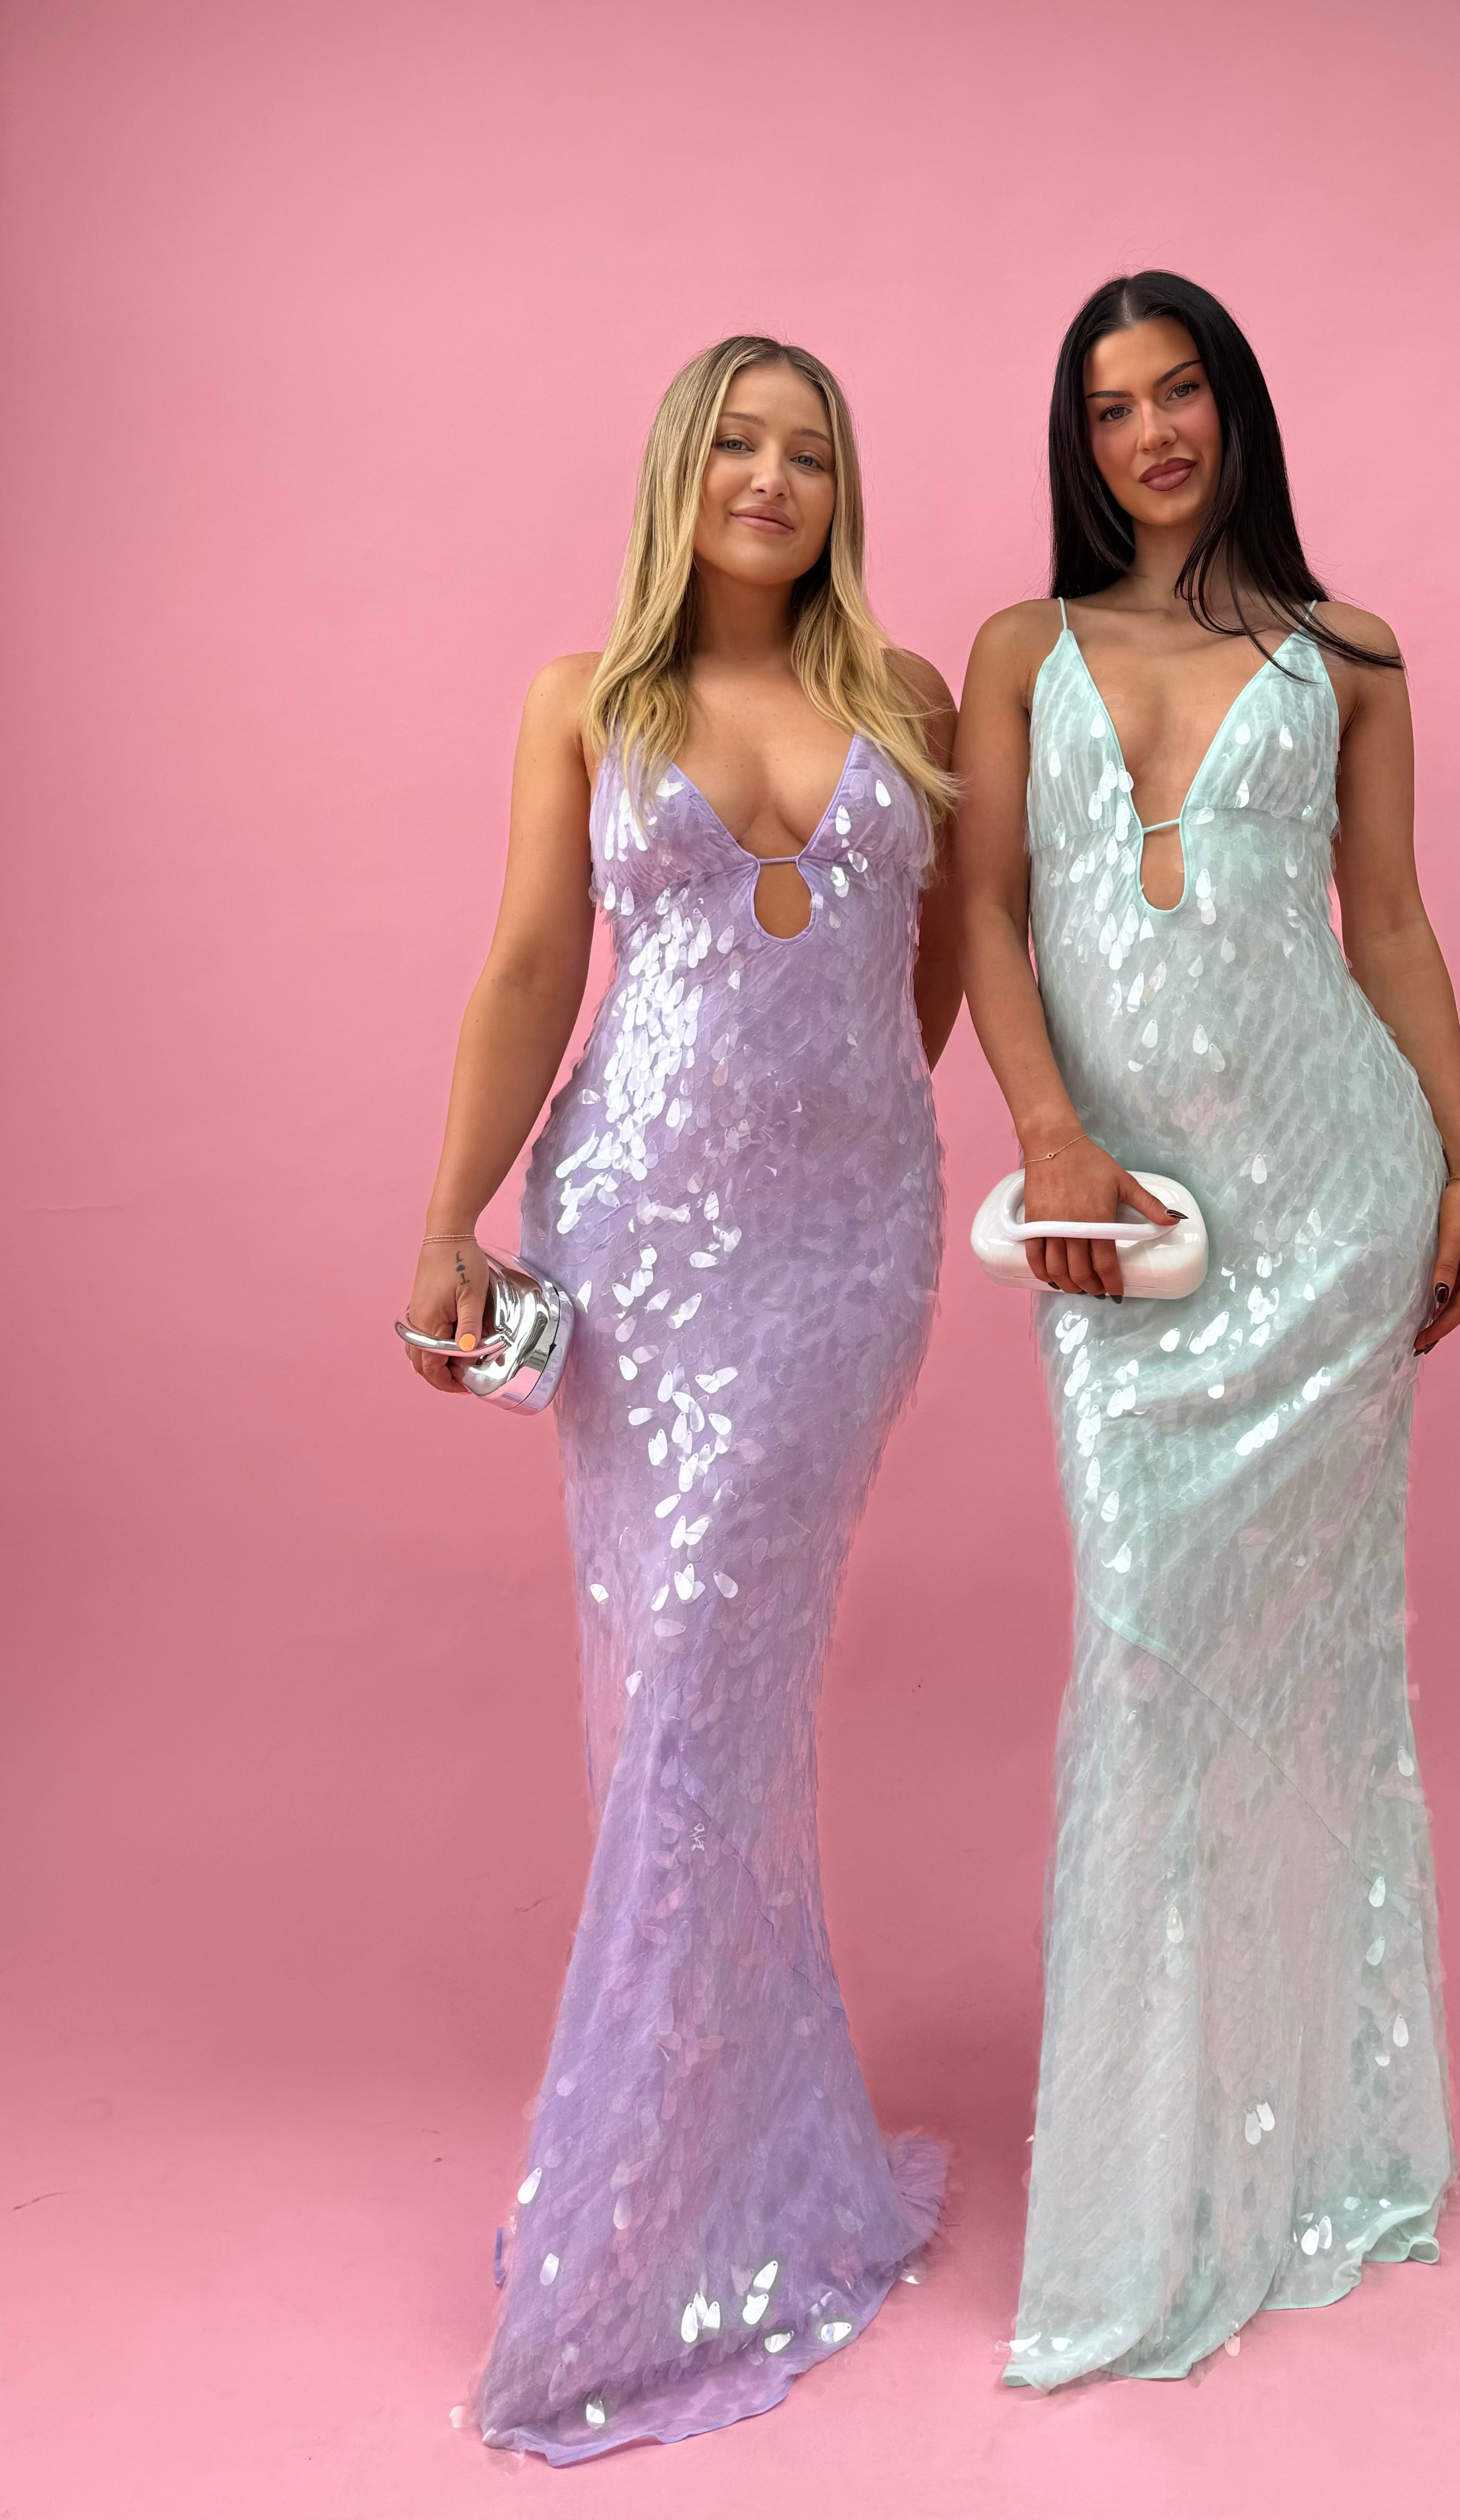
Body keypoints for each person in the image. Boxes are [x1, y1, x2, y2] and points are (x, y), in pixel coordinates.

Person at [405, 335, 959, 2457]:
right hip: (638, 1241)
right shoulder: (587, 700)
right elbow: (531, 968)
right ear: (678, 471)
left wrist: (837, 1146)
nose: (772, 475)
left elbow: (923, 975)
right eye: (737, 440)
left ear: (841, 491)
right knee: (685, 1702)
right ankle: (668, 2199)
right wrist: (449, 1218)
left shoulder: (906, 706)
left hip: (839, 1262)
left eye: (809, 449)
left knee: (721, 1681)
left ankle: (683, 2195)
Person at [954, 270, 1460, 2387]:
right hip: (1128, 1232)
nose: (1152, 434)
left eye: (1179, 392)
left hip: (1332, 1200)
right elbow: (987, 909)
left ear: (1235, 409)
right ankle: (1139, 2190)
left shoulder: (1348, 654)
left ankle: (1308, 2143)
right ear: (1077, 443)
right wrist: (1046, 1127)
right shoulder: (1023, 651)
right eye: (1110, 408)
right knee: (1147, 1654)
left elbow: (1393, 919)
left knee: (1311, 1679)